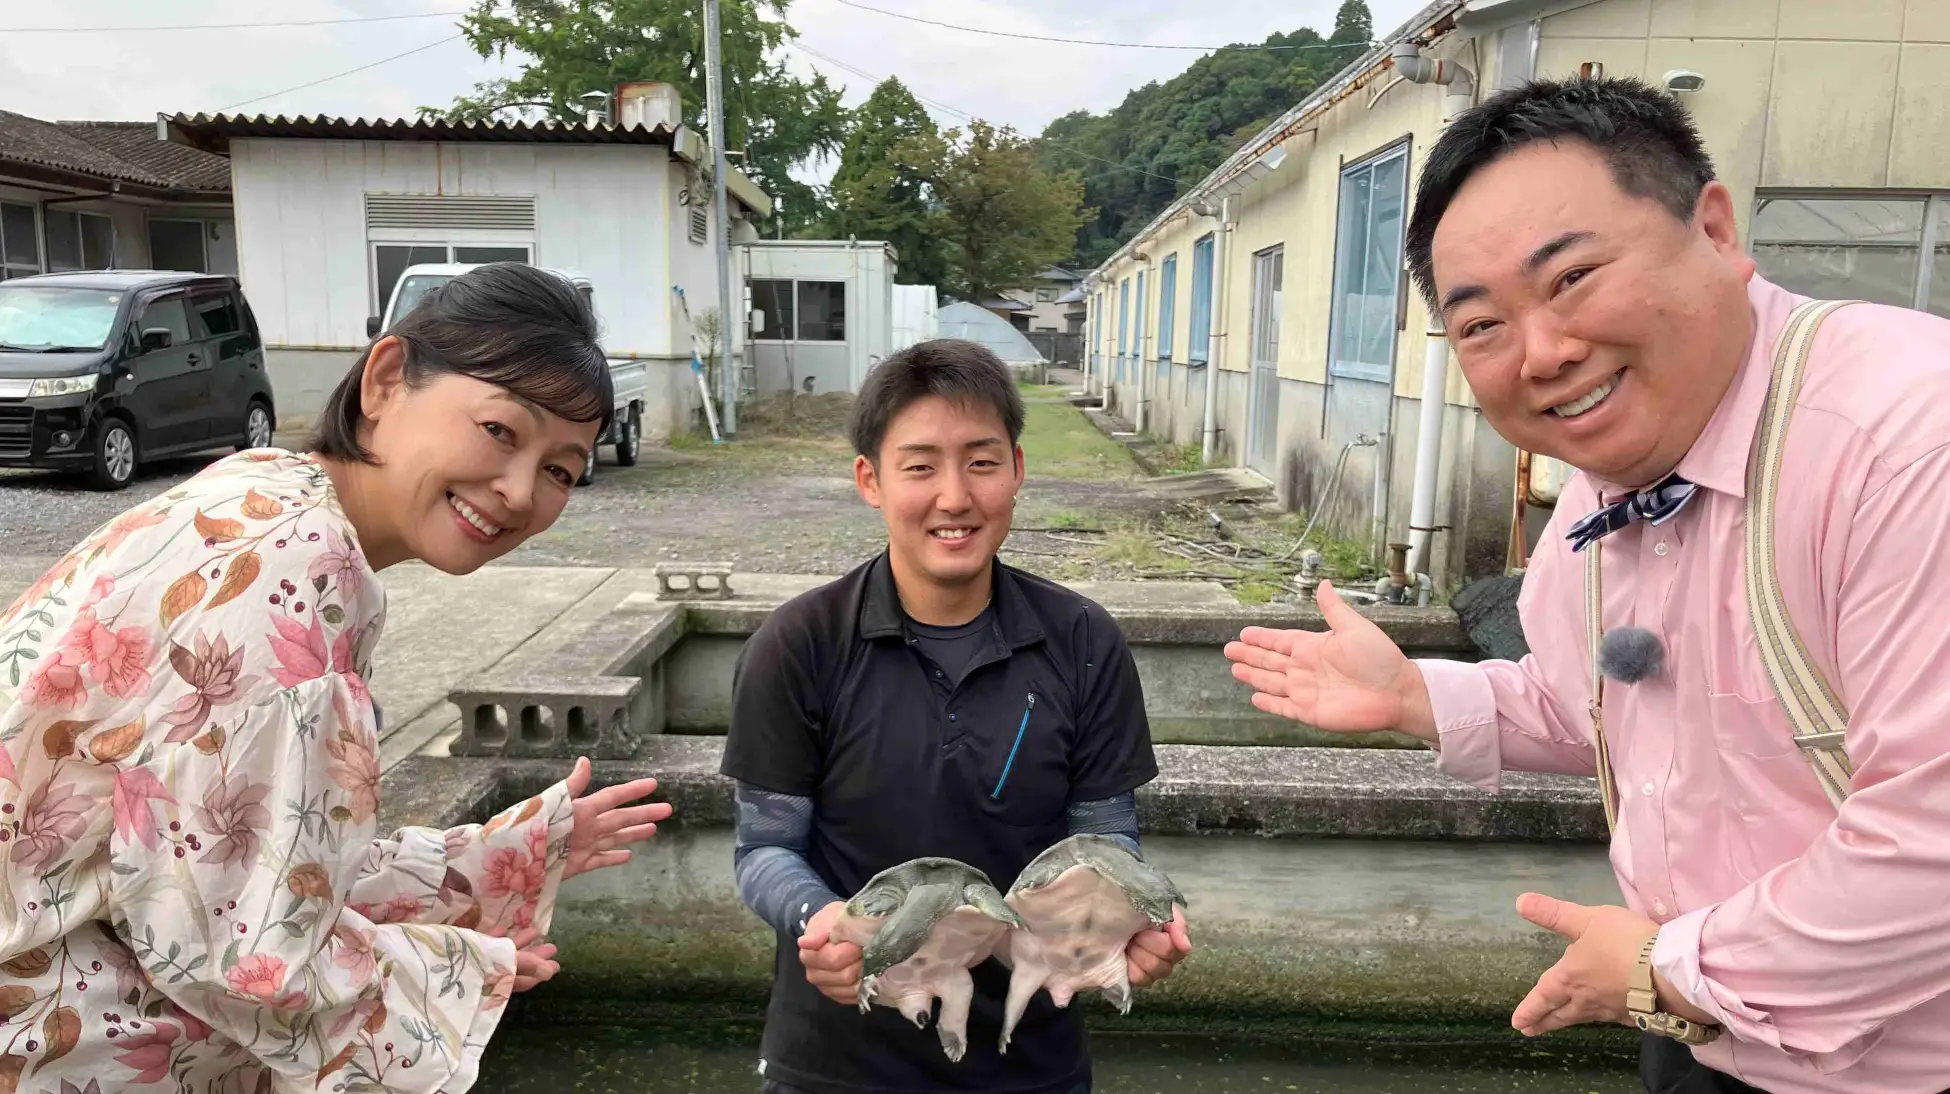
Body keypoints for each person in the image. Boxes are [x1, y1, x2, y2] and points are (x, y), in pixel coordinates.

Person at [1224, 76, 1950, 1094]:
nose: (1546, 353)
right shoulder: (1598, 498)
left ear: (1714, 225)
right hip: (1702, 1025)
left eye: (1571, 278)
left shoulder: (1907, 440)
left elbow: (1932, 842)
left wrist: (1670, 968)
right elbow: (1609, 710)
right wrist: (1418, 697)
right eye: (1482, 327)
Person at [0, 262, 671, 1091]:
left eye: (563, 470)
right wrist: (450, 973)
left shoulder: (261, 491)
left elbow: (251, 856)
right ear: (386, 380)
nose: (519, 490)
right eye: (501, 430)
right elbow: (246, 952)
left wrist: (501, 855)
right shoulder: (304, 571)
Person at [720, 339, 1191, 1094]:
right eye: (920, 466)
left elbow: (1105, 836)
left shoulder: (1082, 640)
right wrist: (823, 919)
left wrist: (1130, 915)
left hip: (1032, 1062)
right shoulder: (799, 644)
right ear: (870, 480)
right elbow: (765, 848)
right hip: (836, 1063)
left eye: (980, 460)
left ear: (1017, 471)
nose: (954, 496)